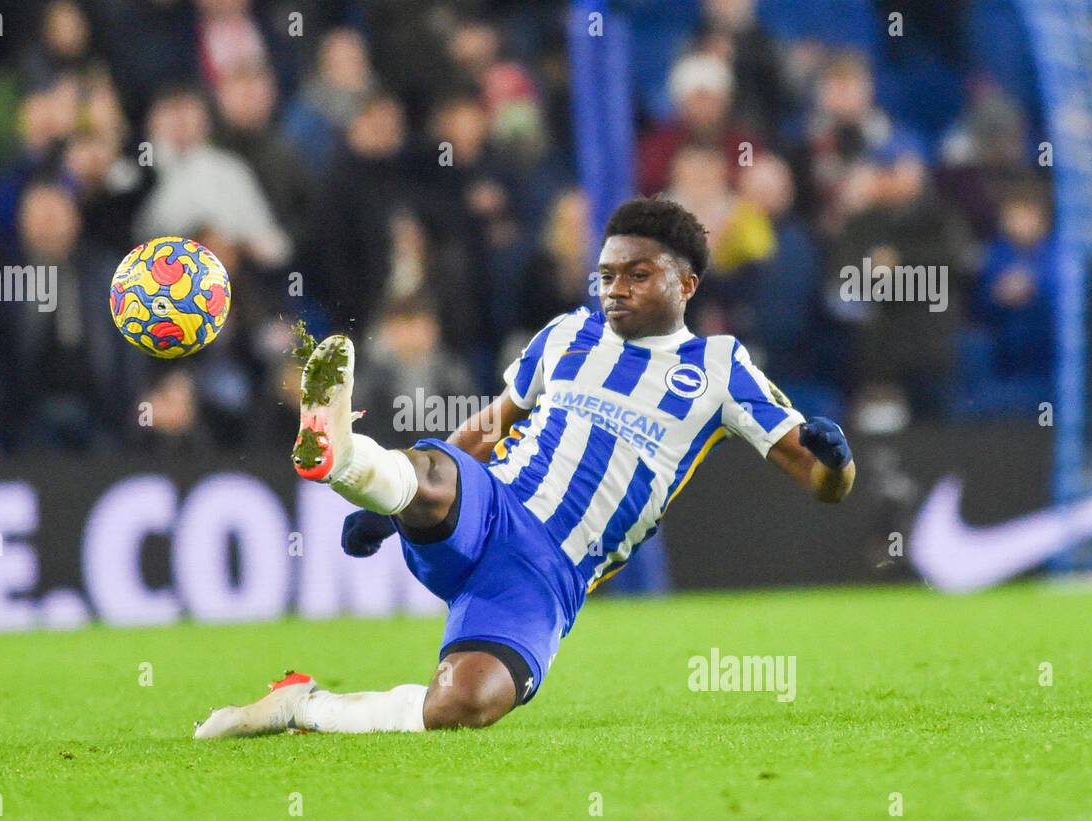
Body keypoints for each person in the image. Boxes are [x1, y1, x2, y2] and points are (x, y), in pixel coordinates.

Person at [196, 195, 856, 738]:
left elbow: (825, 484)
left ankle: (301, 706)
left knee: (462, 705)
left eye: (638, 274)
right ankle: (347, 461)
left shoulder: (719, 367)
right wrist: (393, 513)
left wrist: (837, 461)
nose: (615, 289)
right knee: (434, 476)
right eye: (607, 274)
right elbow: (488, 426)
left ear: (685, 283)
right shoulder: (568, 333)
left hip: (548, 578)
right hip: (499, 504)